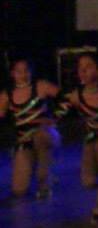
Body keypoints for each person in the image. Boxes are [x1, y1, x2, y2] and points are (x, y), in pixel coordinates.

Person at [54, 53, 98, 222]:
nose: (83, 70)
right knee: (88, 182)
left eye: (88, 66)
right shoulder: (76, 96)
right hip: (92, 138)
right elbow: (58, 114)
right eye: (80, 67)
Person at [0, 58, 61, 199]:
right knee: (19, 190)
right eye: (19, 71)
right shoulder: (6, 95)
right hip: (25, 141)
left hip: (46, 135)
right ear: (12, 73)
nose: (23, 75)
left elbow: (68, 99)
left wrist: (55, 118)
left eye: (26, 71)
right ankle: (32, 165)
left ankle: (45, 178)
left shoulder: (41, 86)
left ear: (31, 71)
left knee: (40, 136)